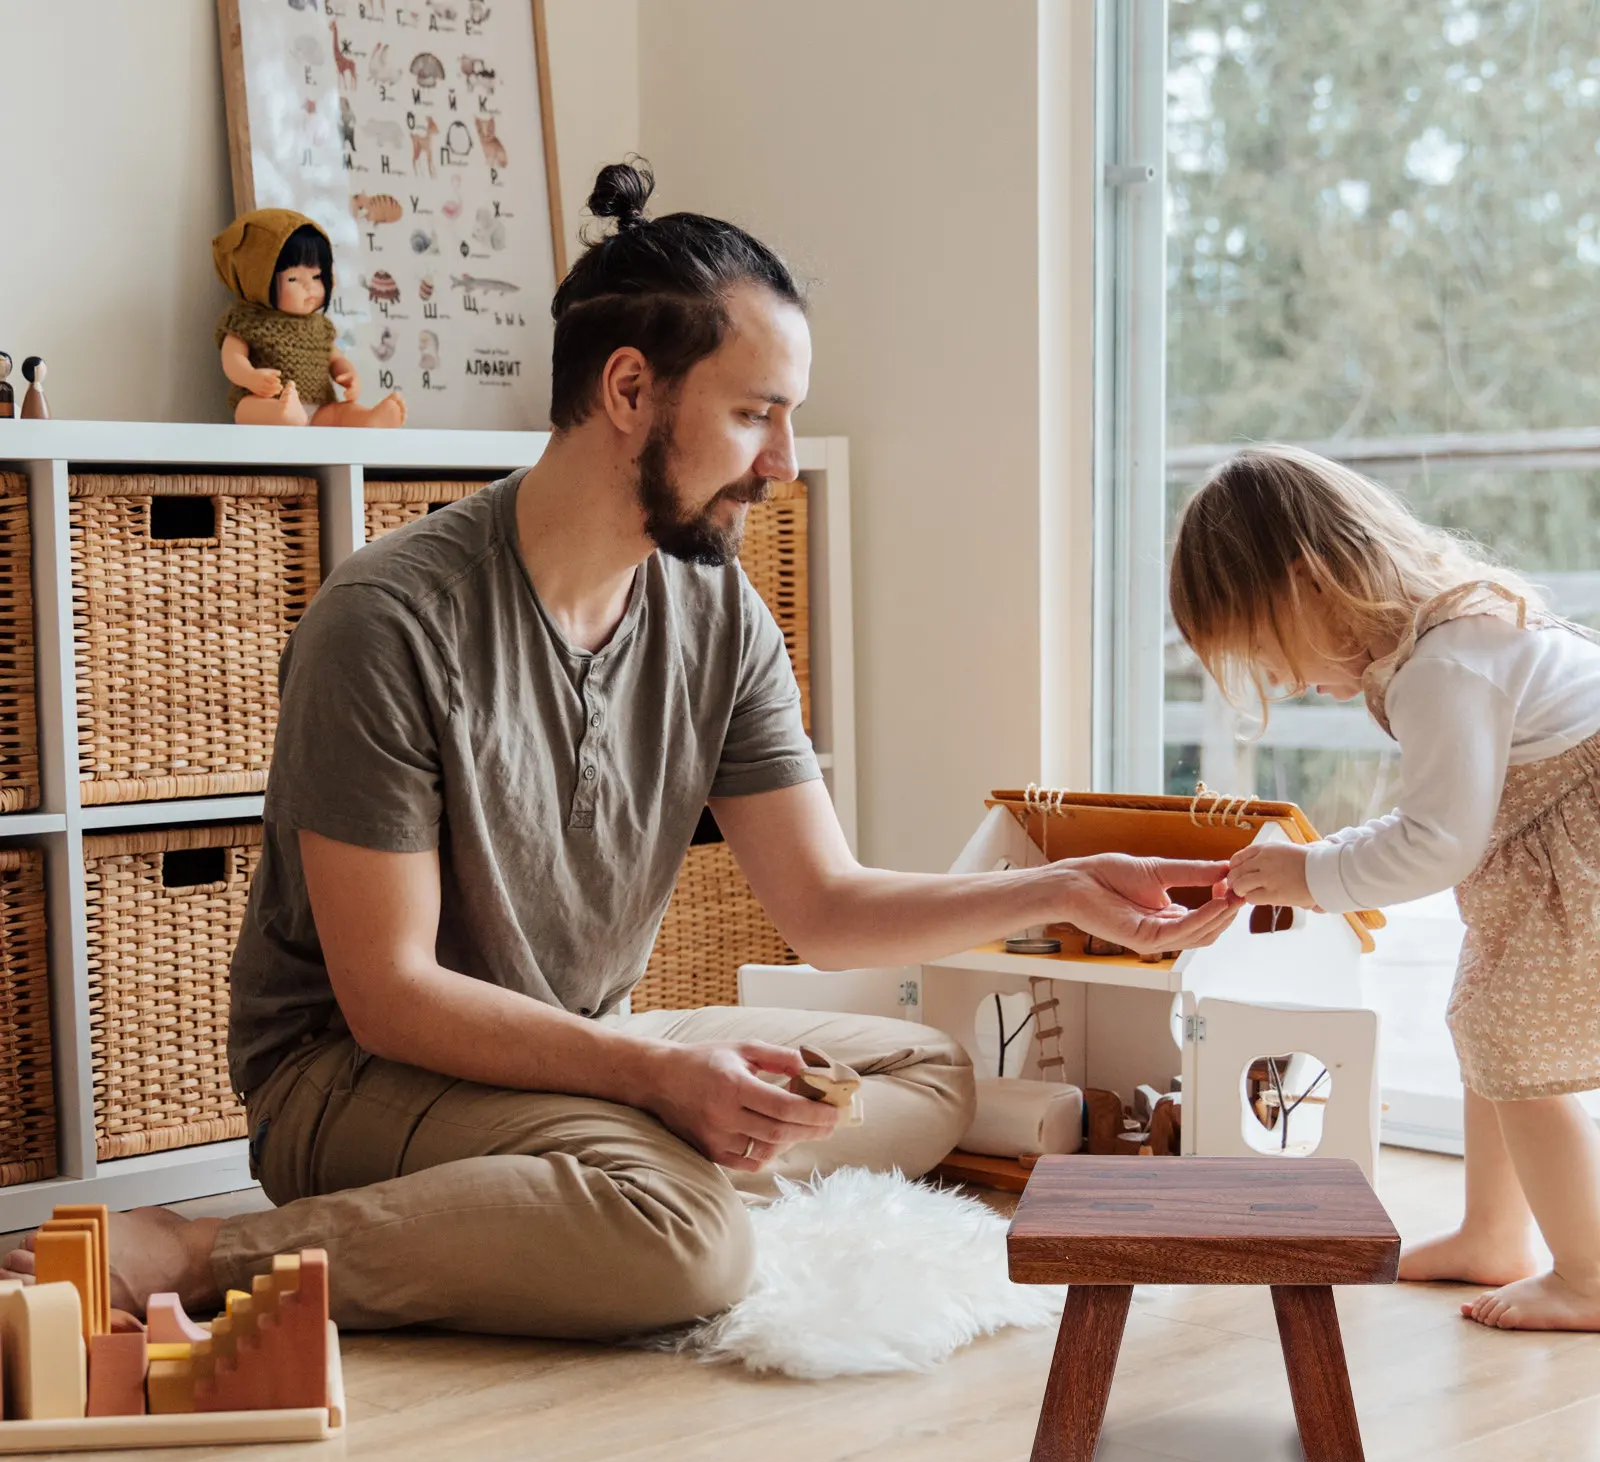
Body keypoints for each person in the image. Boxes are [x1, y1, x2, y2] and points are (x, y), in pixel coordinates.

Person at [3, 161, 1238, 1340]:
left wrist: (1066, 890)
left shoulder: (718, 614)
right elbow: (389, 997)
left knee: (920, 1074)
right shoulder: (386, 622)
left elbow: (824, 907)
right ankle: (208, 1253)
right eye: (754, 415)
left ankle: (600, 1178)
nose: (781, 465)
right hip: (353, 1076)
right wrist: (651, 1082)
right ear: (631, 391)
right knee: (690, 1247)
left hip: (580, 1045)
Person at [1169, 443, 1600, 1331]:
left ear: (1312, 583)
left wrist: (1315, 873)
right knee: (1488, 1021)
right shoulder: (1440, 640)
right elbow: (1444, 817)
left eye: (1269, 649)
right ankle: (1492, 1234)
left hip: (1581, 856)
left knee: (1511, 1038)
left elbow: (1439, 842)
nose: (1285, 682)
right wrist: (1318, 859)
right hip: (1553, 855)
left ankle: (1590, 1275)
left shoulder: (1445, 665)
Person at [212, 208, 406, 428]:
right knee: (247, 408)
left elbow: (335, 358)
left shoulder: (320, 327)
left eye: (316, 276)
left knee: (342, 413)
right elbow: (232, 359)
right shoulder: (247, 321)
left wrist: (347, 373)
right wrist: (250, 377)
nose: (309, 287)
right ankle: (284, 414)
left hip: (320, 408)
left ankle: (368, 420)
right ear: (256, 279)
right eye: (293, 279)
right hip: (267, 399)